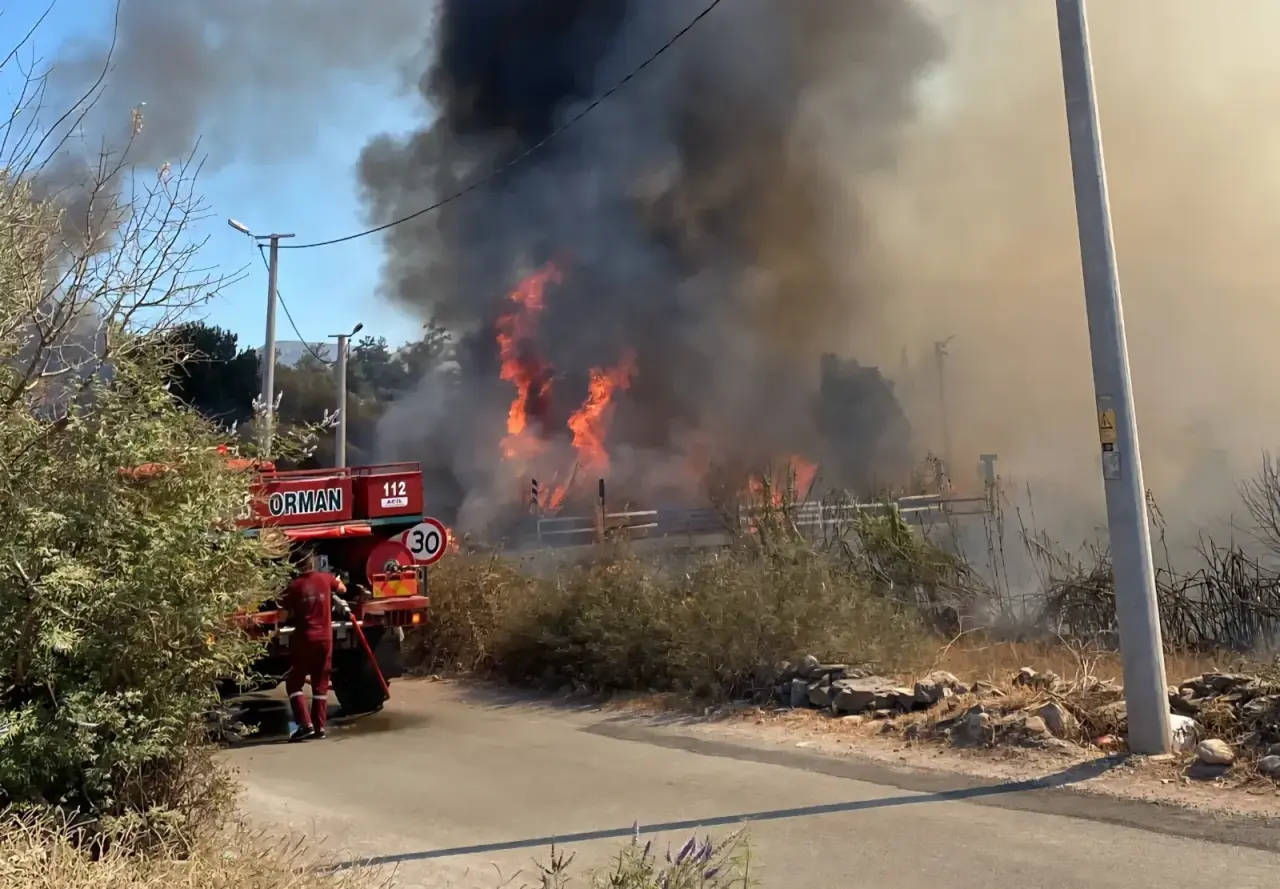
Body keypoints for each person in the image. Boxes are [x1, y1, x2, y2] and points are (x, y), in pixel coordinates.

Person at [278, 548, 346, 742]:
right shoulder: (325, 579)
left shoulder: (293, 586)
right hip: (326, 639)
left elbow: (283, 616)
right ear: (313, 563)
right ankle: (319, 727)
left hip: (305, 639)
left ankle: (305, 725)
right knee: (321, 684)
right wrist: (337, 581)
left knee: (294, 683)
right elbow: (342, 589)